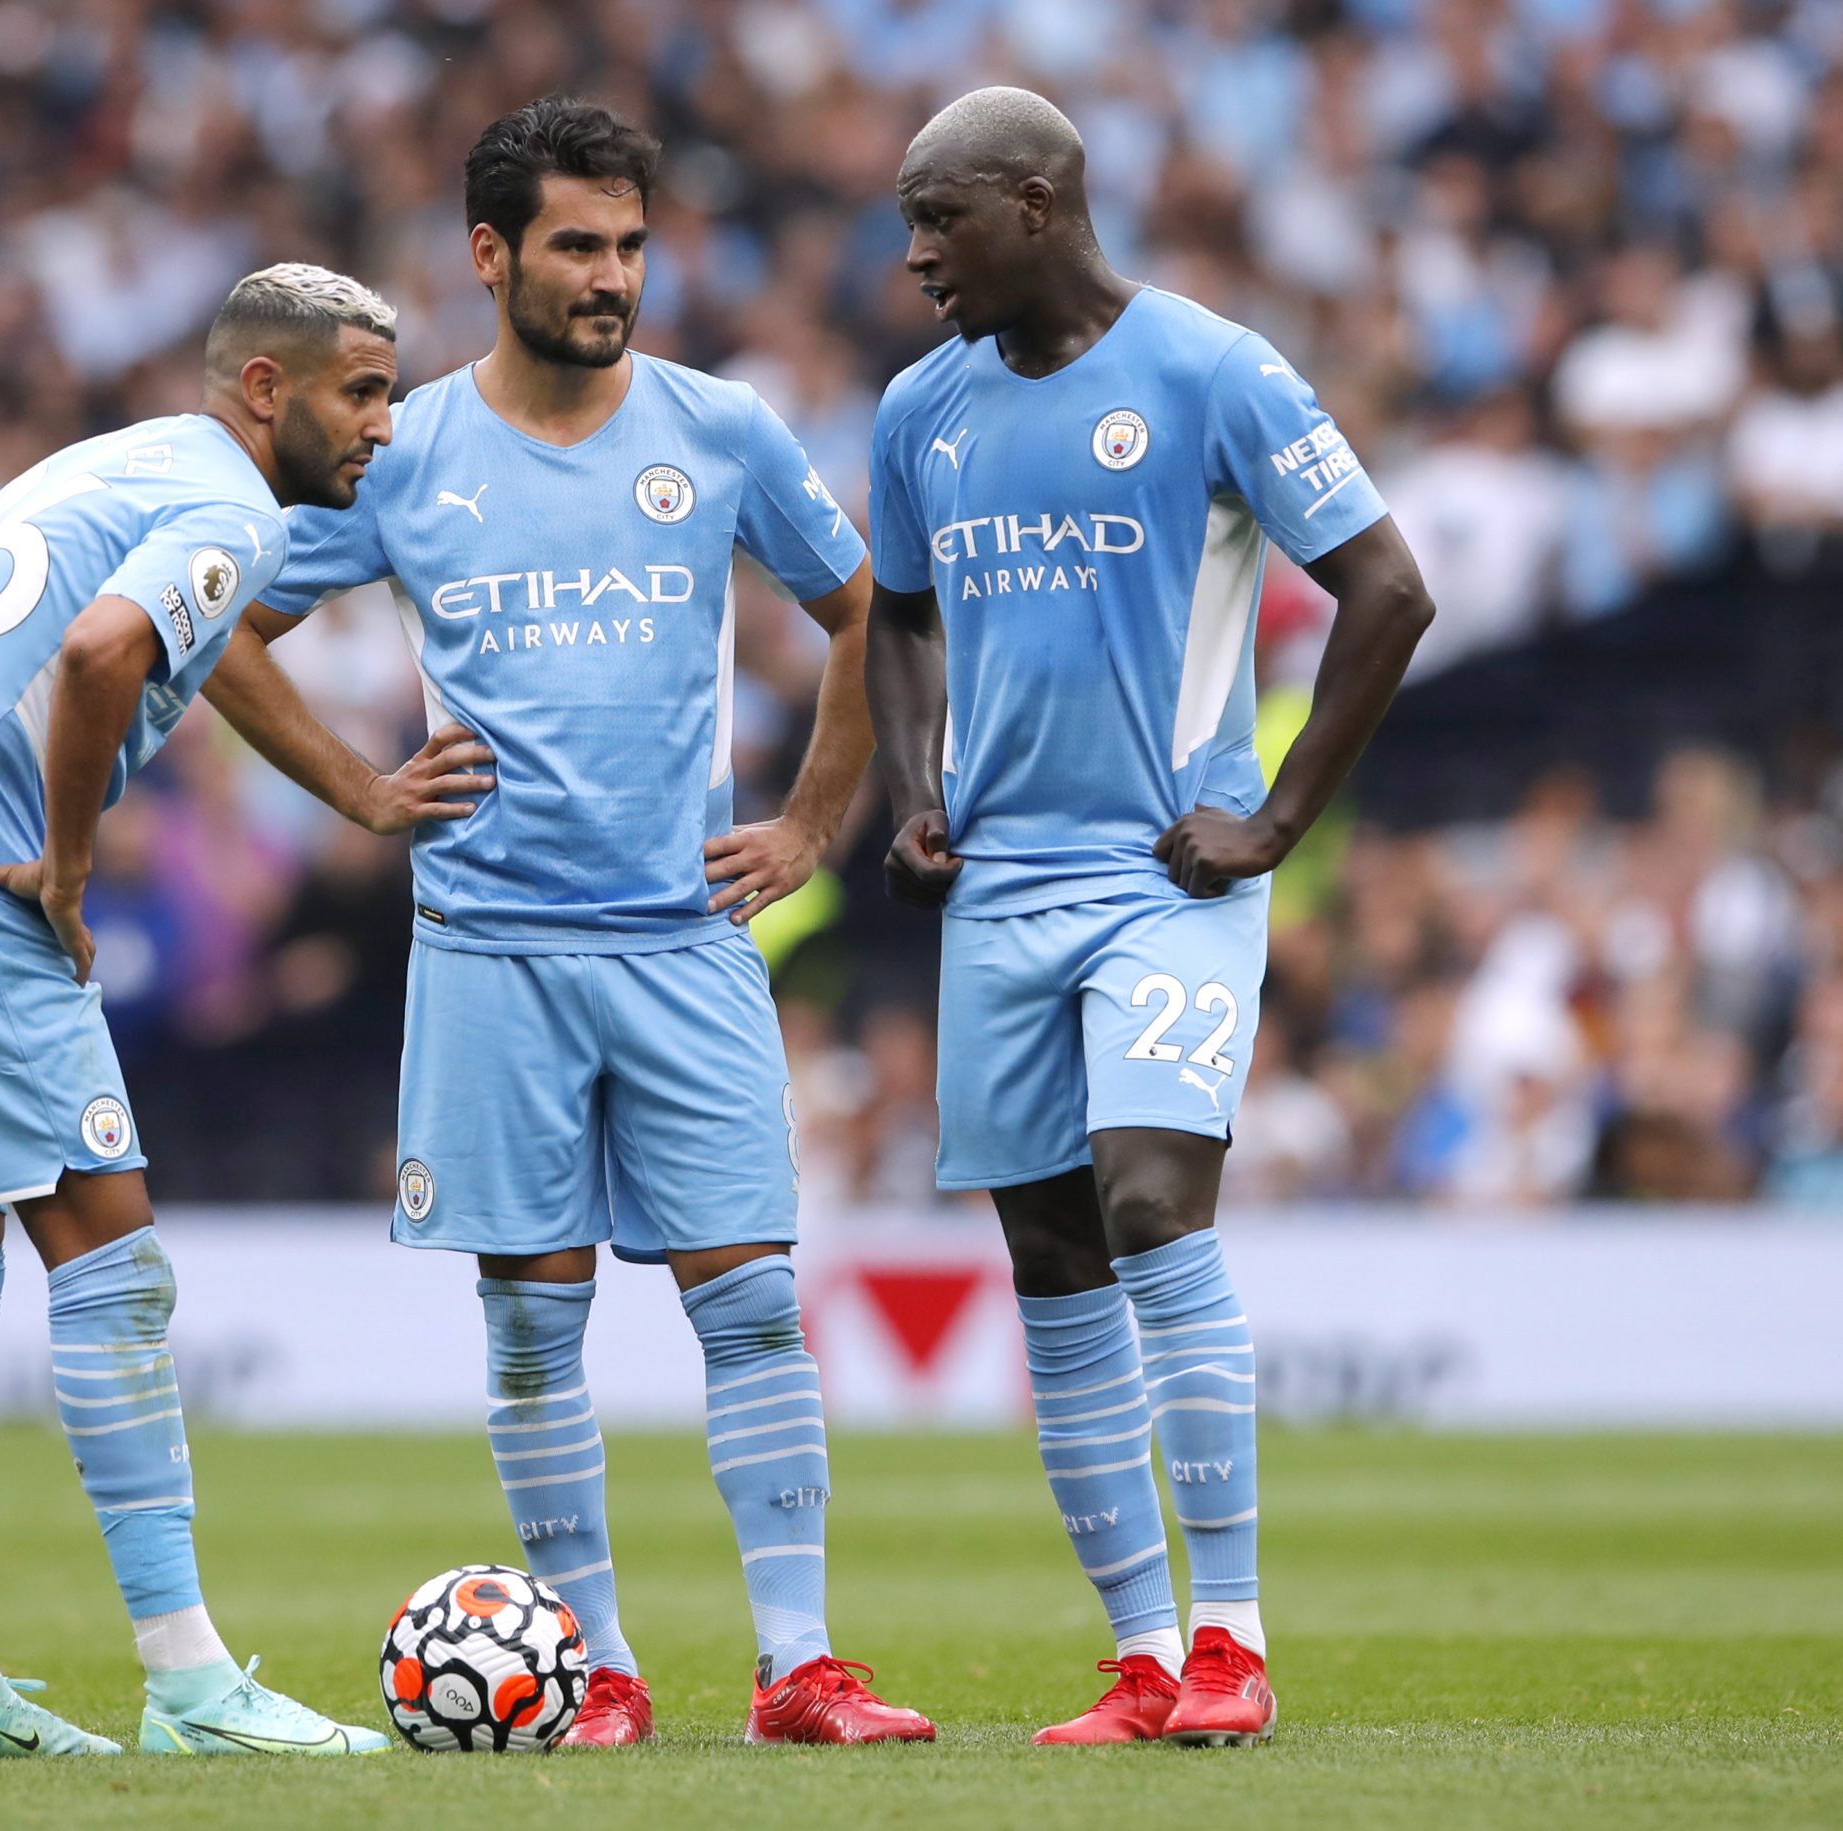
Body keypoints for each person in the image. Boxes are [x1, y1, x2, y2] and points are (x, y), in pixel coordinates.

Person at [204, 99, 935, 1748]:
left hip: (684, 942)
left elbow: (869, 612)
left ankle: (799, 1668)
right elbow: (224, 631)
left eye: (630, 245)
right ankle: (598, 1671)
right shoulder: (407, 452)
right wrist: (358, 790)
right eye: (577, 246)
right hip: (490, 954)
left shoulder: (718, 428)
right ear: (491, 255)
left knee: (752, 1304)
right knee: (535, 1327)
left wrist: (814, 823)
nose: (613, 277)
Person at [865, 88, 1434, 1749]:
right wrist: (913, 786)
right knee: (1049, 1256)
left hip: (1162, 881)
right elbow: (895, 617)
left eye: (941, 220)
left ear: (1038, 206)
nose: (917, 258)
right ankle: (1140, 1658)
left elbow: (1389, 588)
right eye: (909, 225)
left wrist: (1276, 819)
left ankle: (1233, 1645)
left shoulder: (1212, 370)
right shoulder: (919, 411)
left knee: (1148, 1204)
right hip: (1001, 894)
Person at [0, 264, 399, 1760]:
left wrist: (354, 790)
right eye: (362, 392)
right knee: (112, 1258)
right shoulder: (236, 509)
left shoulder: (111, 463)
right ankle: (191, 1684)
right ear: (268, 388)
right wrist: (66, 866)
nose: (382, 425)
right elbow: (106, 650)